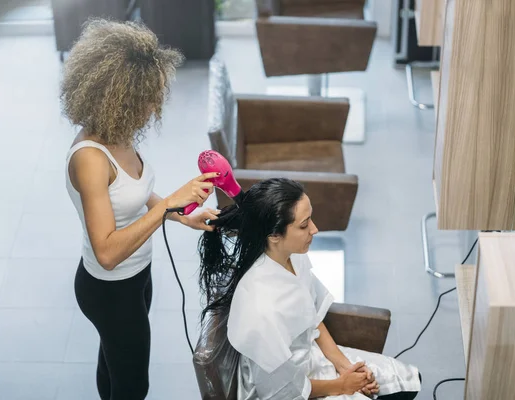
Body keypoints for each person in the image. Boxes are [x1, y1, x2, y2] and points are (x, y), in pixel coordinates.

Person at [61, 19, 220, 400]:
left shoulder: (119, 133)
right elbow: (108, 252)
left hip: (136, 280)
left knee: (114, 365)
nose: (154, 106)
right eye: (148, 98)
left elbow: (133, 194)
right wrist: (167, 204)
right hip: (109, 289)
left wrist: (182, 216)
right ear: (120, 97)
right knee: (133, 386)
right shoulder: (90, 159)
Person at [197, 178, 422, 399]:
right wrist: (341, 386)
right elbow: (280, 391)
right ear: (274, 235)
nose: (314, 229)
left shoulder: (292, 256)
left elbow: (311, 316)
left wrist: (343, 365)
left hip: (308, 359)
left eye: (310, 219)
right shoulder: (262, 309)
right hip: (285, 390)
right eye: (304, 225)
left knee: (407, 380)